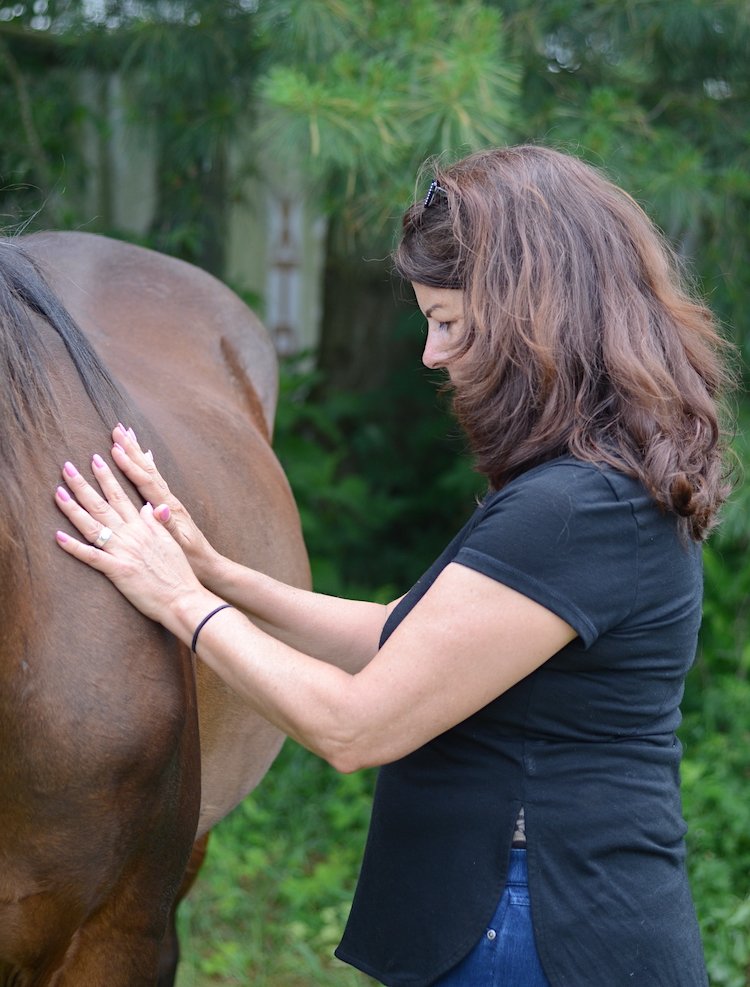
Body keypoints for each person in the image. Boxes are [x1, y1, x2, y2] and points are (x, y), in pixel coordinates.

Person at [53, 144, 731, 987]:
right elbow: (398, 636)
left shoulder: (574, 509)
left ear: (536, 318)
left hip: (537, 929)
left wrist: (183, 603)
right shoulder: (595, 488)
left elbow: (355, 726)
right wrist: (216, 570)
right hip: (532, 914)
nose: (431, 355)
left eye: (449, 321)